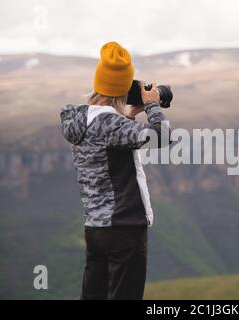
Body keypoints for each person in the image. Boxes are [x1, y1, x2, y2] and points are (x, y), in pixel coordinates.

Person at [60, 41, 170, 300]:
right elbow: (161, 136)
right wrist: (152, 105)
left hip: (96, 229)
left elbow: (110, 141)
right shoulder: (109, 123)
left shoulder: (83, 120)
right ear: (124, 87)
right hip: (124, 228)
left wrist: (129, 116)